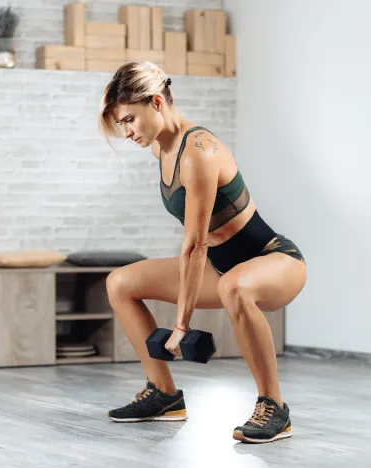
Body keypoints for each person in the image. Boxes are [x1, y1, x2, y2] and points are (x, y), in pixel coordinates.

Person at [97, 61, 307, 444]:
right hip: (223, 269)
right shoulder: (162, 150)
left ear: (156, 102)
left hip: (275, 260)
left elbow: (195, 245)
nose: (127, 132)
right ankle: (163, 395)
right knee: (120, 282)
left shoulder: (198, 151)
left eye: (130, 120)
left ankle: (274, 407)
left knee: (235, 289)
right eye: (121, 124)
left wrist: (181, 326)